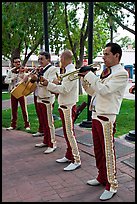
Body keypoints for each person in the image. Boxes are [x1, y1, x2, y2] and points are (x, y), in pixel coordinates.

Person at [80, 43, 128, 200]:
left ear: (117, 56)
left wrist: (90, 75)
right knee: (98, 150)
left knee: (108, 152)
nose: (103, 57)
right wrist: (84, 81)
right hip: (96, 114)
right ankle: (101, 176)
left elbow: (105, 90)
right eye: (103, 54)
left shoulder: (121, 73)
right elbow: (94, 91)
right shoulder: (106, 72)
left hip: (107, 117)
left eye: (107, 54)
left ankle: (112, 184)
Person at [40, 49, 81, 171]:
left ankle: (76, 159)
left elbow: (64, 90)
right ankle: (69, 155)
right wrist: (54, 84)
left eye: (60, 58)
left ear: (63, 59)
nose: (59, 61)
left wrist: (49, 84)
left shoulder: (72, 72)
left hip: (68, 106)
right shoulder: (67, 71)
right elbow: (62, 87)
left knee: (70, 133)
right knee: (67, 133)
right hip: (64, 105)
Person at [33, 51, 59, 154]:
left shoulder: (53, 69)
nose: (40, 61)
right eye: (39, 59)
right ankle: (45, 140)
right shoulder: (41, 69)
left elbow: (50, 82)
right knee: (43, 122)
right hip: (40, 97)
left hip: (47, 99)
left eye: (42, 59)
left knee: (49, 123)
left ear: (48, 59)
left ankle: (52, 143)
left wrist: (37, 78)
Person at [5, 57, 30, 130]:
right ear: (13, 63)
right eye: (16, 62)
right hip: (13, 91)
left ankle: (27, 125)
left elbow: (27, 79)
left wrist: (24, 73)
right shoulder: (10, 71)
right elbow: (6, 80)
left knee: (24, 109)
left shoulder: (23, 70)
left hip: (21, 91)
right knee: (13, 109)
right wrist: (12, 79)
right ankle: (13, 125)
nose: (18, 63)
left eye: (19, 62)